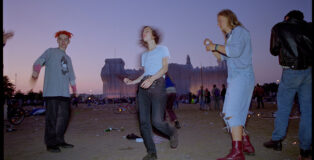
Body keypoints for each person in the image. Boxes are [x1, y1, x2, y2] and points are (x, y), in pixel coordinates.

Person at [204, 9, 255, 160]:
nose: (218, 24)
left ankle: (237, 152)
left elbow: (235, 52)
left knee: (232, 112)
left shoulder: (239, 31)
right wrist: (213, 50)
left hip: (242, 77)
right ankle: (245, 143)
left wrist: (215, 46)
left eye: (221, 20)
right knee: (228, 113)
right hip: (236, 78)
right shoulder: (231, 37)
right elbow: (225, 58)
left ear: (229, 18)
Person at [263, 10, 312, 160]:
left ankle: (277, 140)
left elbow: (273, 50)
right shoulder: (310, 27)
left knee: (284, 108)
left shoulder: (279, 27)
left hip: (291, 70)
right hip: (309, 71)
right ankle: (305, 149)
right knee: (308, 112)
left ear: (287, 17)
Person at [124, 26, 178, 160]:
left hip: (157, 85)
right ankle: (151, 152)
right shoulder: (144, 55)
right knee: (143, 123)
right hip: (143, 87)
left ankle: (172, 132)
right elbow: (145, 73)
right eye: (143, 31)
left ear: (154, 35)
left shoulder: (162, 49)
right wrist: (132, 82)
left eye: (147, 31)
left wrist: (152, 79)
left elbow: (164, 68)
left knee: (157, 121)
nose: (144, 33)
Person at [31, 30, 77, 153]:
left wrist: (74, 90)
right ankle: (51, 143)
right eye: (60, 39)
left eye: (65, 39)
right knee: (52, 119)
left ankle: (60, 140)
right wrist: (36, 71)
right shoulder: (50, 52)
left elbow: (71, 76)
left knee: (63, 118)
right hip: (51, 92)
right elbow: (39, 61)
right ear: (57, 40)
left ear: (68, 42)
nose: (63, 41)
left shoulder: (68, 58)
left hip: (64, 93)